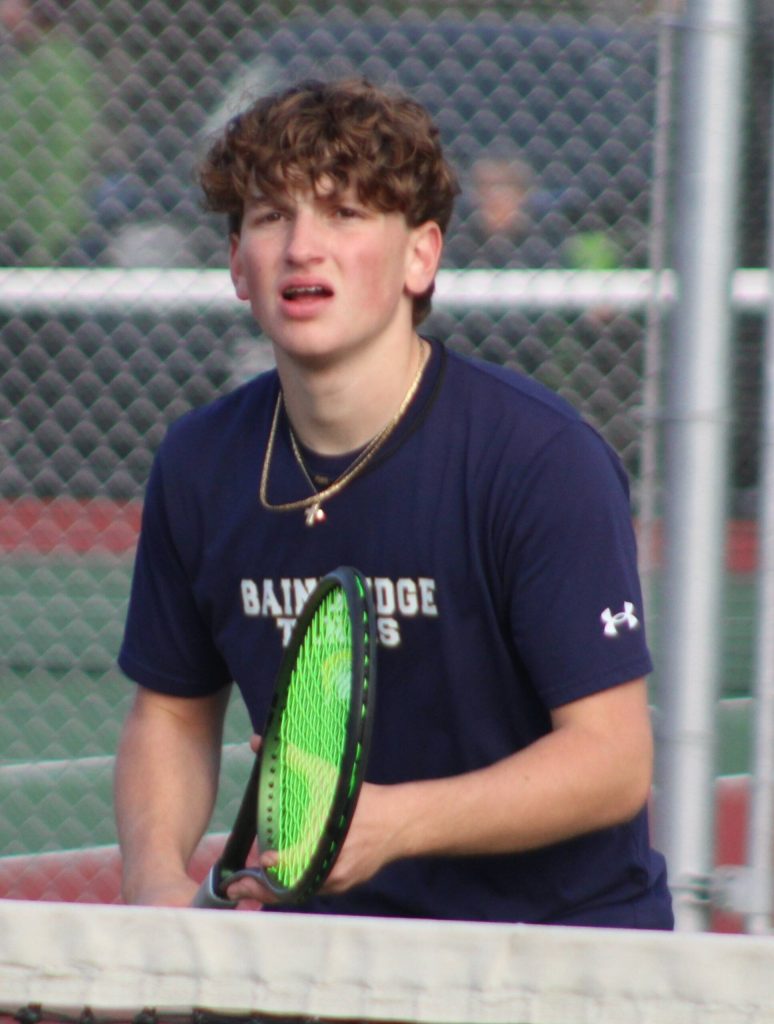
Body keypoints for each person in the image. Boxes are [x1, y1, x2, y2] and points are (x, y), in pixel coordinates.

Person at [114, 77, 673, 928]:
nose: (304, 247)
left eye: (344, 214)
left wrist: (391, 823)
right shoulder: (201, 462)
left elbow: (613, 761)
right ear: (237, 264)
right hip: (327, 961)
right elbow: (173, 716)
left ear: (422, 256)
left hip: (552, 956)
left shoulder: (537, 458)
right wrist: (155, 892)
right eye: (271, 218)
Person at [0, 0, 98, 265]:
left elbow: (67, 155)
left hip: (38, 235)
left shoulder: (58, 64)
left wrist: (44, 244)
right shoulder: (19, 60)